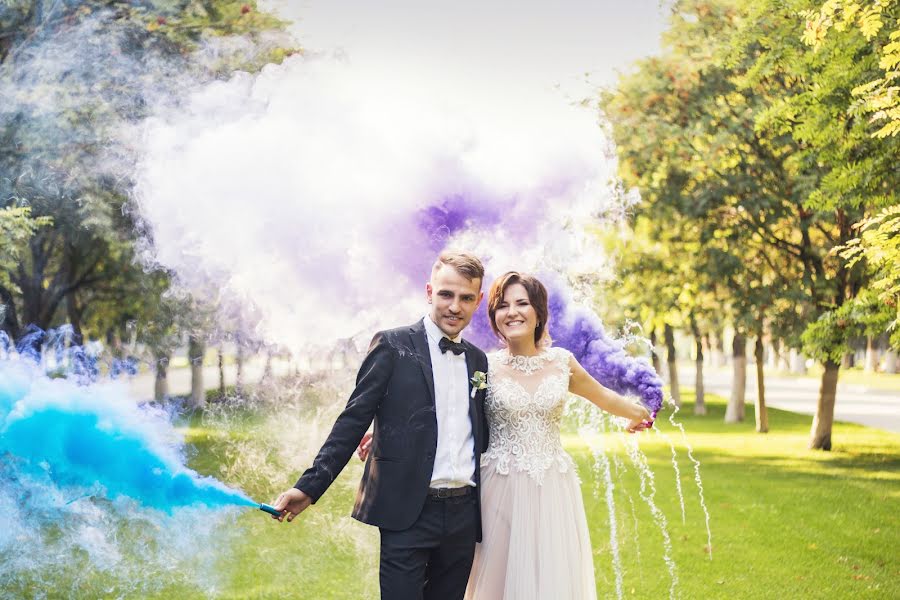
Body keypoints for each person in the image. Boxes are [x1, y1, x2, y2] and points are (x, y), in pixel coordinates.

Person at [361, 271, 653, 599]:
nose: (512, 311)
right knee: (495, 580)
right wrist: (388, 434)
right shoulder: (482, 366)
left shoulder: (562, 363)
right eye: (502, 305)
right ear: (494, 317)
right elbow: (444, 411)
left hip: (552, 487)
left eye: (522, 303)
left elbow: (602, 396)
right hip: (497, 489)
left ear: (539, 312)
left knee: (550, 578)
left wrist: (638, 412)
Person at [271, 251, 490, 600]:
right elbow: (353, 419)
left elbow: (481, 431)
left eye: (466, 298)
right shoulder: (392, 344)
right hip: (407, 511)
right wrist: (308, 488)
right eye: (447, 294)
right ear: (430, 291)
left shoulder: (479, 361)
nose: (454, 306)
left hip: (463, 517)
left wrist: (393, 432)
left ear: (478, 301)